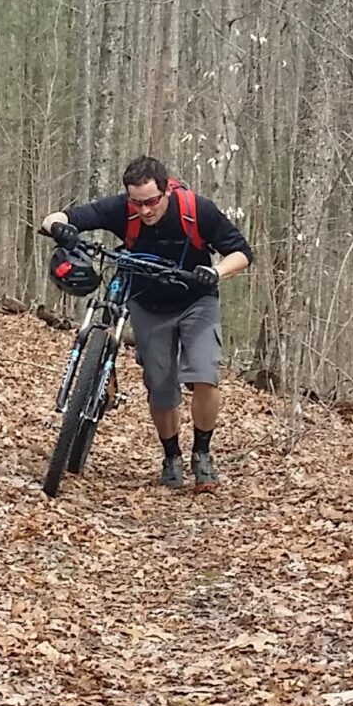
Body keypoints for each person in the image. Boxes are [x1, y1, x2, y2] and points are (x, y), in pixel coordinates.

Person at [36, 156, 253, 493]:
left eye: (152, 201)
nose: (145, 210)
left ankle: (202, 452)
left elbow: (241, 252)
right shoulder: (122, 210)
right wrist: (58, 226)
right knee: (160, 386)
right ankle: (171, 456)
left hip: (196, 300)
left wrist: (214, 272)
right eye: (137, 202)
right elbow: (62, 217)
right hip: (148, 304)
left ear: (166, 190)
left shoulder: (196, 210)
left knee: (204, 375)